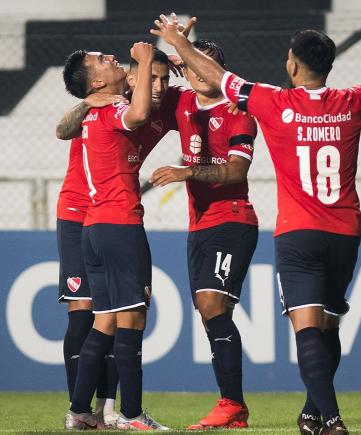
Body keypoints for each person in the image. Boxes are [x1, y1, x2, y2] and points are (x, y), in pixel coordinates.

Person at [152, 5, 361, 434]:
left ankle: (332, 420)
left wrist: (178, 42)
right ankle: (312, 412)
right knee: (327, 323)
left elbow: (217, 79)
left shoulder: (273, 102)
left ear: (291, 63)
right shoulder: (353, 101)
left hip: (298, 234)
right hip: (345, 231)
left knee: (307, 328)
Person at [60, 42, 170, 431]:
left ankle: (79, 411)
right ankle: (133, 414)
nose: (110, 57)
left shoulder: (93, 115)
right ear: (99, 80)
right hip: (120, 223)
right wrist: (142, 60)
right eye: (101, 60)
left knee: (104, 321)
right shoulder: (113, 110)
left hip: (93, 227)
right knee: (133, 319)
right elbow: (138, 113)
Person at [150, 39, 258, 430]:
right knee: (211, 314)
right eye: (193, 66)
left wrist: (187, 171)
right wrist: (167, 57)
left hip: (233, 219)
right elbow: (146, 82)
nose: (197, 72)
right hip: (198, 225)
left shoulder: (240, 113)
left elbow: (235, 172)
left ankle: (232, 403)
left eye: (206, 66)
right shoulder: (180, 102)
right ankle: (233, 408)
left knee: (212, 305)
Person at [54, 90, 127, 428]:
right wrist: (87, 103)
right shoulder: (94, 105)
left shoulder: (133, 105)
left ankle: (106, 408)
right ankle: (79, 409)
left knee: (113, 312)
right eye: (104, 60)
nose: (112, 62)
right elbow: (62, 129)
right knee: (82, 314)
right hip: (76, 210)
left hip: (112, 213)